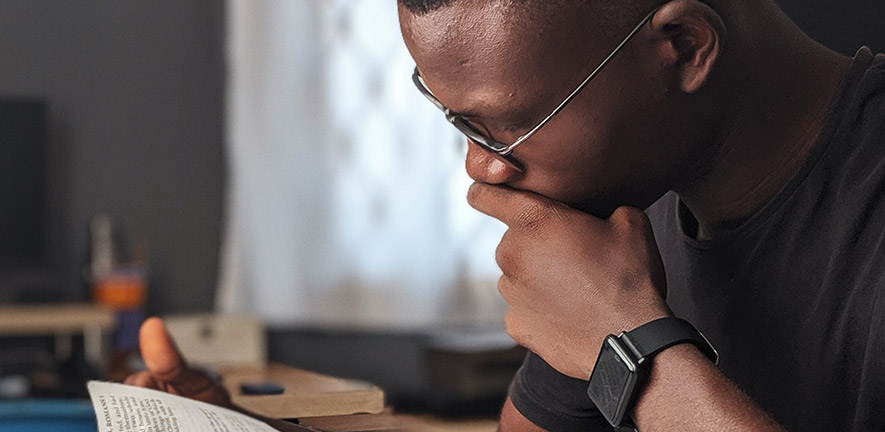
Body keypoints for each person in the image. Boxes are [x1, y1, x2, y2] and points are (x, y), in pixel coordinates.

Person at [128, 0, 885, 430]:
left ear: (683, 46)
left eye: (505, 124)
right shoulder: (627, 198)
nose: (482, 167)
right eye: (458, 124)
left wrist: (629, 345)